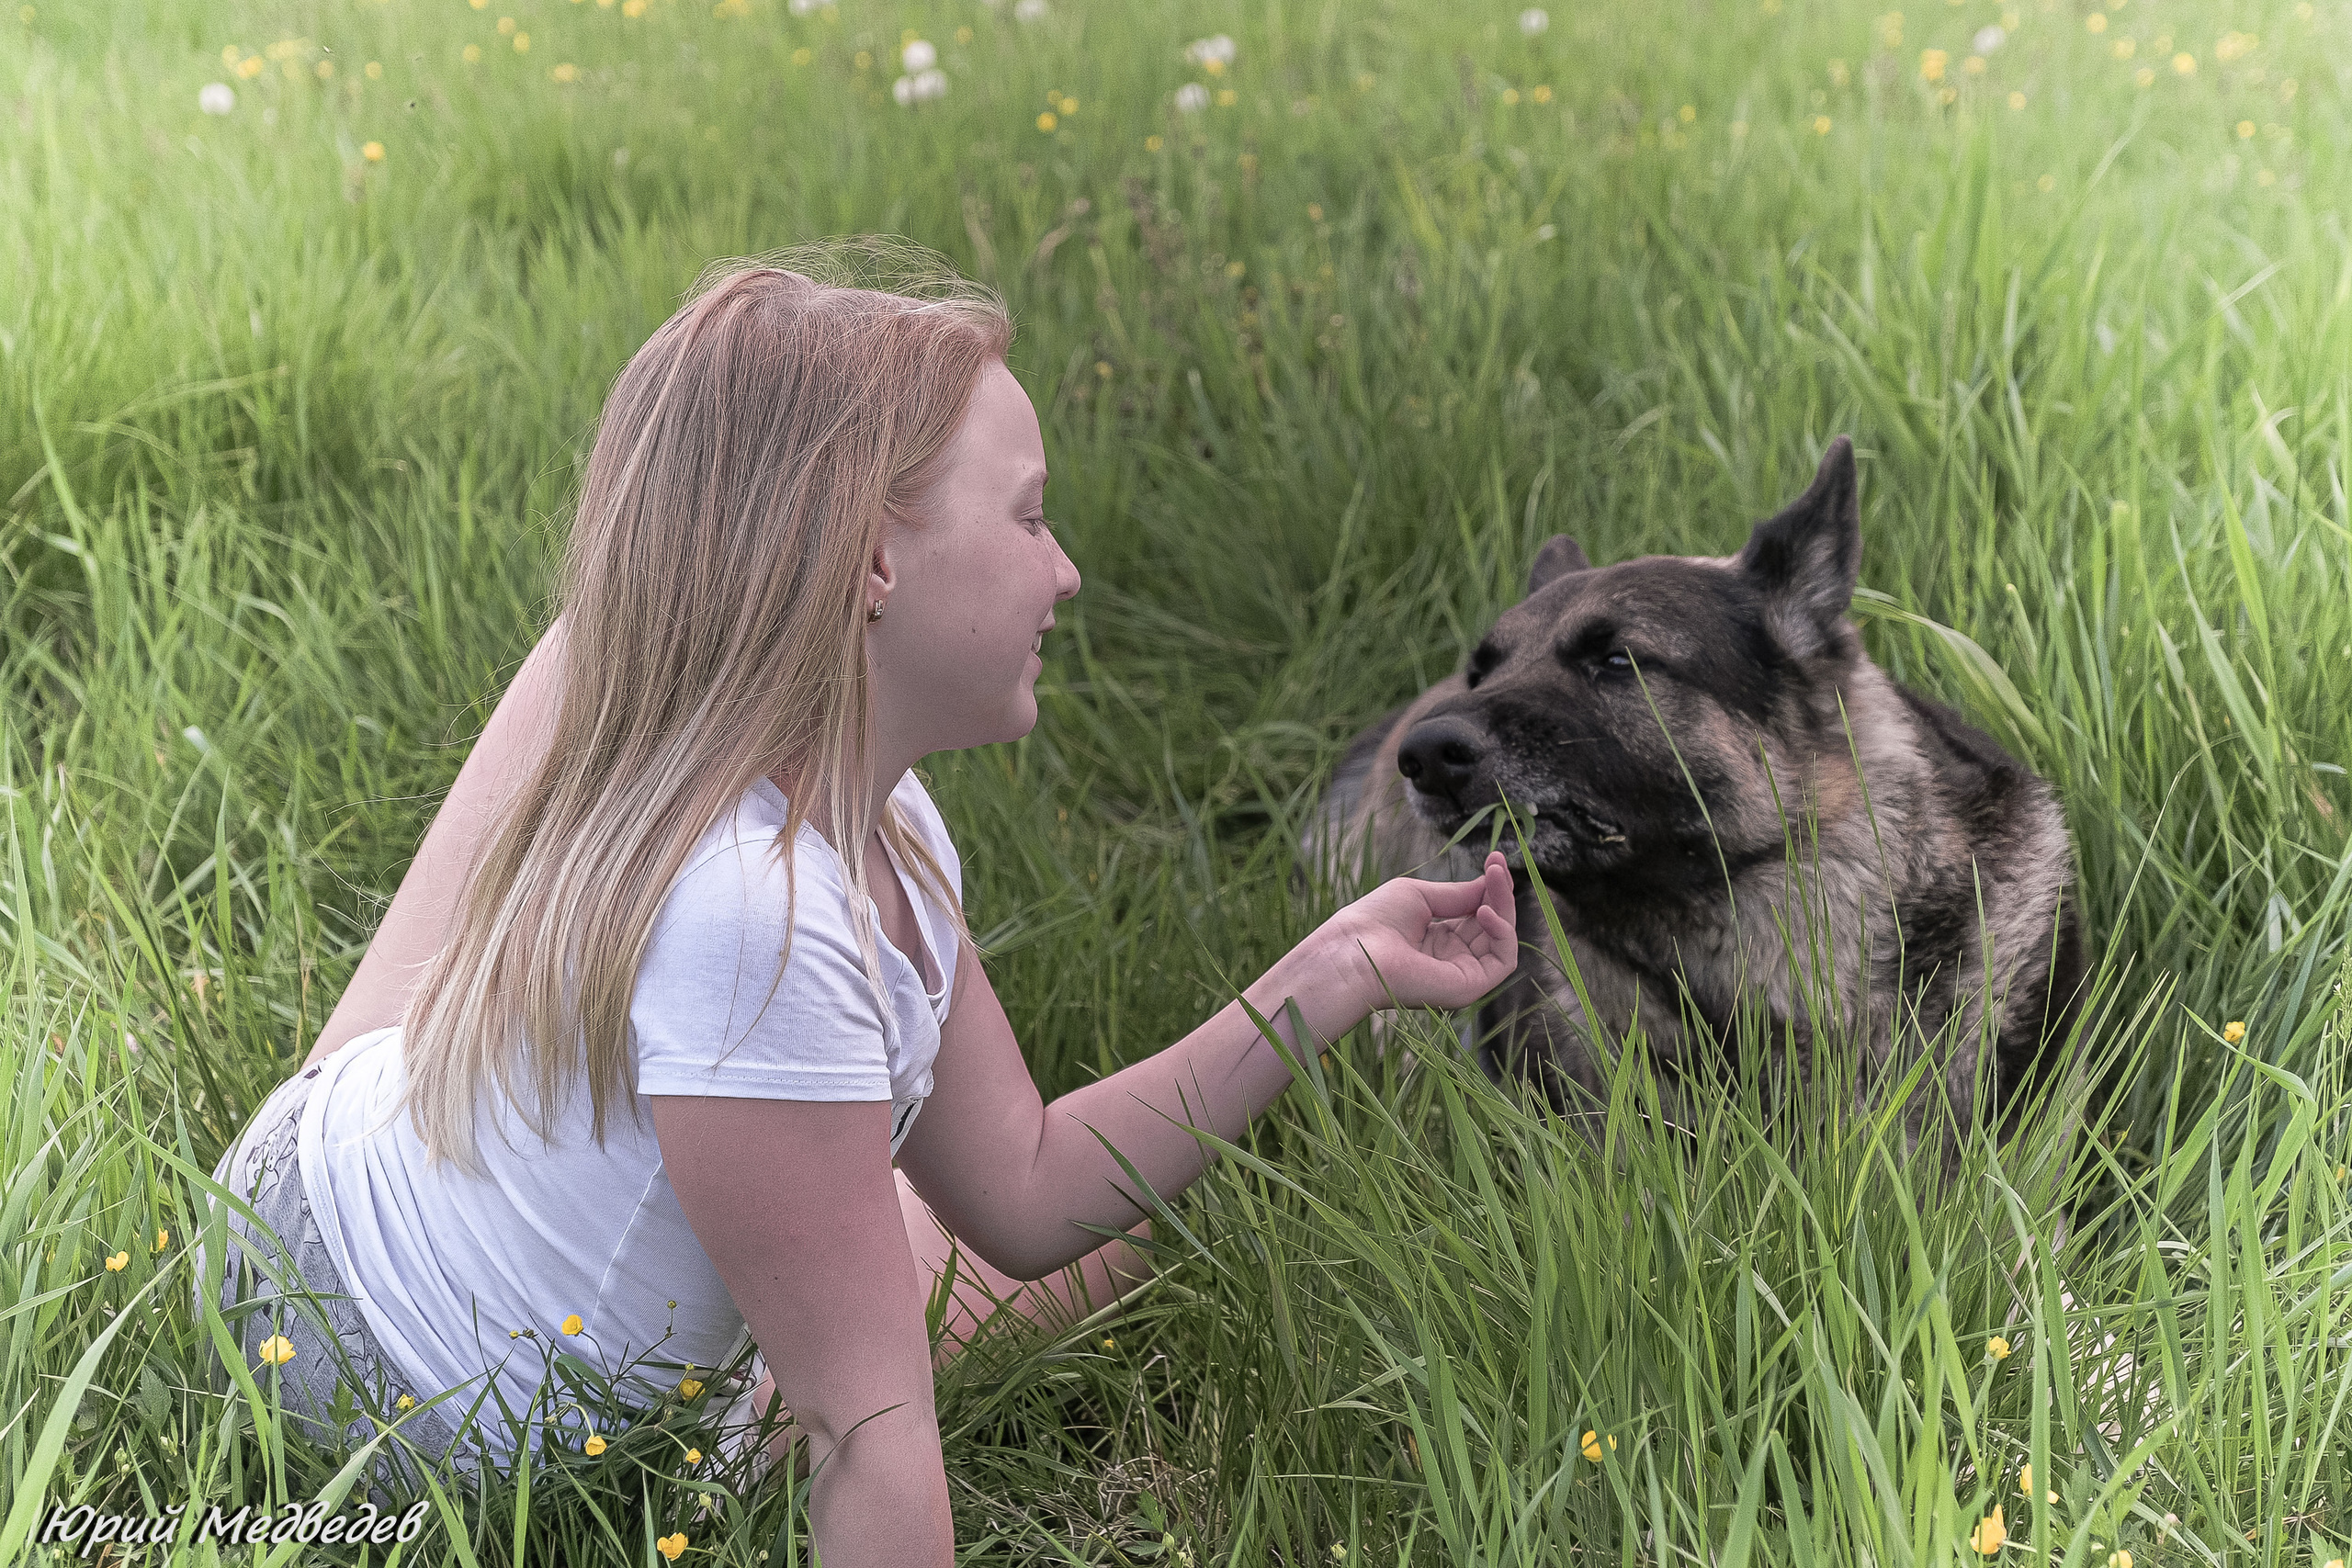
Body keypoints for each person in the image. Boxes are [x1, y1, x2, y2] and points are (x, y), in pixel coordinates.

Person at [204, 243, 1518, 1566]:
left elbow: (1026, 1181)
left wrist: (1340, 964)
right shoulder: (761, 925)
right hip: (390, 1388)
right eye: (1030, 517)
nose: (1066, 574)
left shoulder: (881, 820)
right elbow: (868, 1438)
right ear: (874, 563)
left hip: (399, 1177)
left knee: (1040, 1255)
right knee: (870, 1331)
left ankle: (547, 1106)